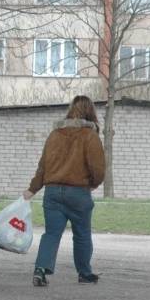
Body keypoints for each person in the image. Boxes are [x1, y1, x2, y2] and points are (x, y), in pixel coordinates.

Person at [23, 95, 106, 287]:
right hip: (78, 193)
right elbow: (98, 168)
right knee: (82, 234)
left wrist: (32, 189)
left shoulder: (55, 135)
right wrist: (93, 183)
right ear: (90, 112)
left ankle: (40, 270)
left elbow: (43, 166)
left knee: (51, 234)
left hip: (52, 193)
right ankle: (84, 273)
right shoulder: (89, 136)